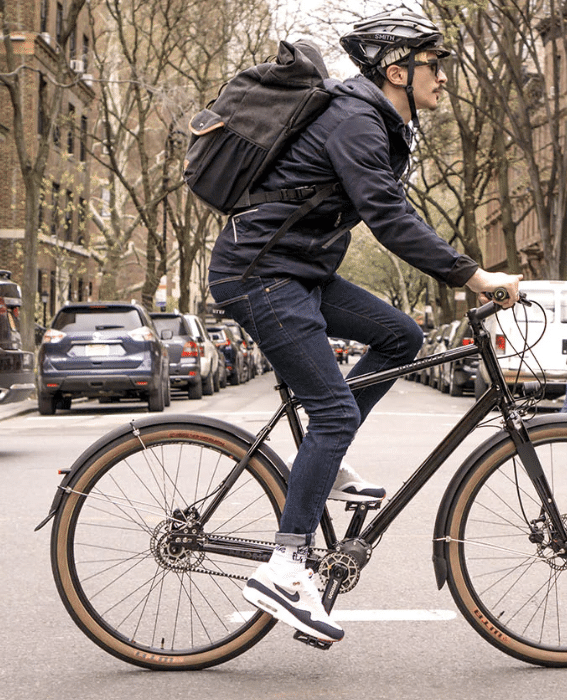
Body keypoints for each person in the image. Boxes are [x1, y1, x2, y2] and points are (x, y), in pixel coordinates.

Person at [206, 9, 521, 645]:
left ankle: (322, 463)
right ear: (397, 69)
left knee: (401, 336)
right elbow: (387, 216)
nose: (445, 78)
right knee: (334, 416)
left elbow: (385, 207)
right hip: (261, 274)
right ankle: (285, 566)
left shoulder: (375, 119)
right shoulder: (355, 119)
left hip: (299, 271)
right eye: (436, 65)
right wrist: (472, 276)